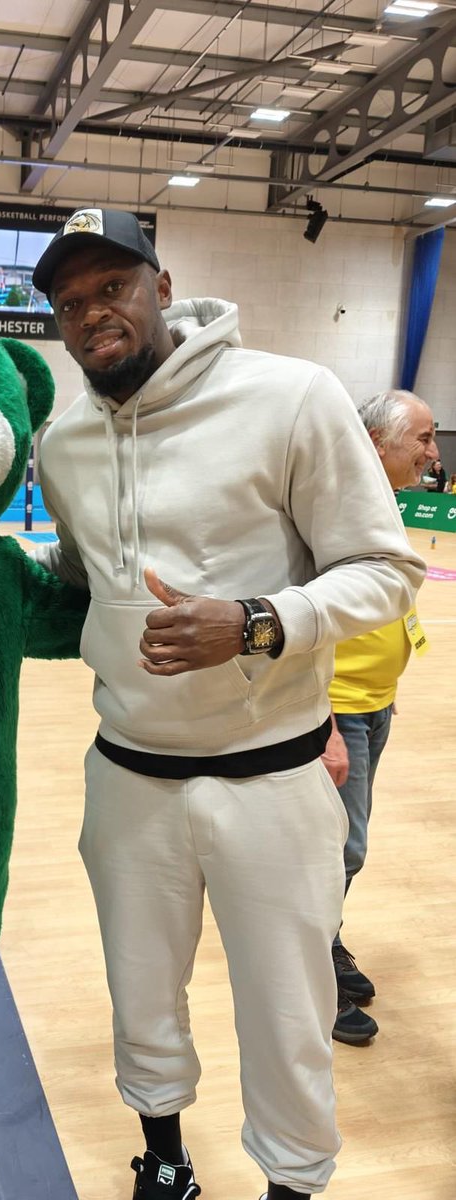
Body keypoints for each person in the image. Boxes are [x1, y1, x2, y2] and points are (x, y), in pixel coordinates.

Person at [30, 208, 425, 1200]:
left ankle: (291, 1183)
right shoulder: (65, 438)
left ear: (162, 287)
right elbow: (82, 579)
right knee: (140, 993)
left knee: (287, 1012)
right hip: (127, 775)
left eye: (112, 287)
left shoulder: (291, 397)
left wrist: (252, 623)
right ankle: (163, 1154)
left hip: (271, 776)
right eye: (71, 303)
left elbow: (385, 572)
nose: (92, 315)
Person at [321, 389, 437, 1045]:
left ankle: (326, 943)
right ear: (374, 442)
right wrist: (328, 724)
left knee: (342, 849)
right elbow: (310, 619)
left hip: (375, 704)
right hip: (341, 712)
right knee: (340, 849)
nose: (432, 452)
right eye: (422, 437)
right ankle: (313, 975)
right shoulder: (332, 507)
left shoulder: (379, 505)